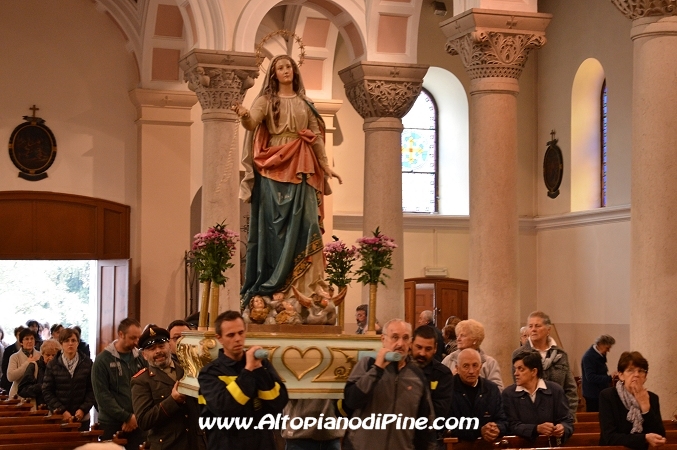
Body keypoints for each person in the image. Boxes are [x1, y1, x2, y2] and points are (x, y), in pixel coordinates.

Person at [235, 54, 342, 308]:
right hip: (272, 165)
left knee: (308, 223)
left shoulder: (306, 102)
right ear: (273, 74)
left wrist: (326, 166)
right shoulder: (266, 101)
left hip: (303, 163)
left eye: (289, 67)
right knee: (274, 228)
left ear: (294, 71)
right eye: (280, 67)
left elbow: (315, 135)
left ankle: (307, 286)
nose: (285, 70)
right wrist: (242, 114)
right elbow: (252, 123)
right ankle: (276, 284)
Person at [198, 311, 288, 450]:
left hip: (262, 443)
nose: (238, 339)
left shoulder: (261, 365)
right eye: (231, 335)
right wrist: (248, 370)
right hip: (227, 444)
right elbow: (225, 407)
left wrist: (258, 369)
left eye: (241, 333)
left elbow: (278, 402)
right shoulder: (209, 373)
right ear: (219, 338)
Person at [342, 319, 436, 450]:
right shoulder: (367, 364)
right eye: (395, 337)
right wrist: (377, 369)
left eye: (405, 338)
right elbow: (351, 401)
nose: (400, 343)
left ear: (410, 342)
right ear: (383, 339)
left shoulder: (417, 376)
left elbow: (425, 424)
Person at [131, 325, 206, 450]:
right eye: (152, 348)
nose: (158, 351)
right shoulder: (141, 381)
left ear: (169, 346)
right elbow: (144, 421)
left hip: (196, 444)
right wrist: (172, 400)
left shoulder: (188, 369)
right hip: (168, 446)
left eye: (161, 346)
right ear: (144, 355)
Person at [92, 318, 147, 450]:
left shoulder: (140, 358)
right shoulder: (102, 361)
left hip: (137, 422)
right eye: (132, 338)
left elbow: (146, 388)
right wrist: (127, 417)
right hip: (111, 423)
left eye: (138, 338)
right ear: (121, 334)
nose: (136, 342)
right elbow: (103, 396)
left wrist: (136, 417)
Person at [512, 311, 578, 416]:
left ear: (548, 330)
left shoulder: (561, 354)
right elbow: (518, 386)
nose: (533, 329)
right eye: (530, 326)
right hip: (529, 416)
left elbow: (570, 388)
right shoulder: (519, 354)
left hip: (558, 415)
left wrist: (569, 415)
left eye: (537, 326)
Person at [502, 351, 573, 444]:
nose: (516, 373)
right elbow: (510, 425)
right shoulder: (509, 394)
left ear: (534, 371)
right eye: (515, 369)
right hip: (521, 446)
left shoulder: (555, 390)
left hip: (550, 445)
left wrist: (562, 428)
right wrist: (536, 429)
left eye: (521, 369)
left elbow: (567, 421)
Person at [599, 351, 666, 450]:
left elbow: (660, 436)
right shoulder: (608, 396)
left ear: (645, 377)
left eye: (641, 371)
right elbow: (609, 437)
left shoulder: (652, 398)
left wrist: (645, 408)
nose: (636, 375)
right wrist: (644, 438)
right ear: (621, 375)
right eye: (630, 370)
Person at [447, 348, 507, 443]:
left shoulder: (491, 389)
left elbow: (503, 420)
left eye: (475, 365)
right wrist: (479, 431)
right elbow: (448, 424)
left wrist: (496, 429)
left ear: (480, 367)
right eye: (466, 366)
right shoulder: (447, 389)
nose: (471, 371)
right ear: (457, 368)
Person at [42, 328, 95, 430]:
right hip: (59, 417)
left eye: (73, 340)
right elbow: (47, 391)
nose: (70, 344)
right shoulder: (53, 365)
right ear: (61, 343)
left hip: (81, 417)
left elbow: (92, 390)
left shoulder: (87, 364)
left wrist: (83, 409)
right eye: (66, 341)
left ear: (78, 343)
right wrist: (62, 410)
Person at [411, 325, 453, 450]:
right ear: (411, 344)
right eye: (419, 347)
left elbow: (439, 412)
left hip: (428, 437)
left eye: (428, 349)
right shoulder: (400, 369)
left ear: (435, 349)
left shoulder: (442, 374)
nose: (422, 353)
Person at [441, 319, 504, 390]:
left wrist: (477, 381)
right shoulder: (449, 360)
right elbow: (439, 386)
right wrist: (451, 379)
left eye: (463, 336)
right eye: (458, 336)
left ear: (475, 340)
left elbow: (498, 390)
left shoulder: (489, 363)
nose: (458, 339)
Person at [18, 338, 61, 405]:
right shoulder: (34, 366)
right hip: (38, 408)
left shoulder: (62, 367)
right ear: (42, 354)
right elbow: (22, 390)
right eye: (48, 355)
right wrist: (41, 387)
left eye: (53, 355)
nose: (51, 358)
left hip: (58, 408)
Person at [581, 334, 615, 412]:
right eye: (607, 348)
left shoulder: (600, 354)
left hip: (600, 392)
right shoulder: (588, 357)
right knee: (594, 418)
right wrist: (609, 378)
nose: (608, 351)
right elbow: (590, 377)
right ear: (600, 344)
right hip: (593, 394)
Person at [7, 328, 41, 397]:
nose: (30, 341)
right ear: (21, 342)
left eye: (32, 338)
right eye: (26, 339)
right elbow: (10, 377)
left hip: (35, 395)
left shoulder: (40, 355)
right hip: (17, 395)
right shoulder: (14, 357)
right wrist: (27, 363)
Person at [0, 326, 24, 392]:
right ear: (16, 336)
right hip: (9, 383)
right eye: (19, 334)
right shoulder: (9, 350)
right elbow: (4, 367)